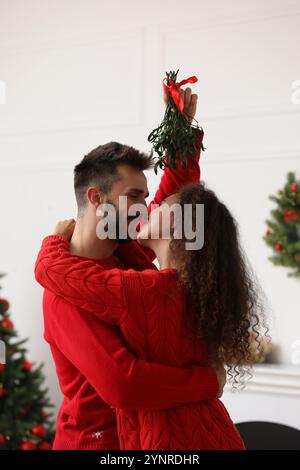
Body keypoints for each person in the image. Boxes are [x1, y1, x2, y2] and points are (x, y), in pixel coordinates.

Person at [35, 88, 226, 450]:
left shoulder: (125, 254)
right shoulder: (65, 293)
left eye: (144, 195)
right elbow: (124, 383)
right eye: (135, 196)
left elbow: (171, 202)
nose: (146, 206)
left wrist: (181, 131)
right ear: (97, 198)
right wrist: (208, 382)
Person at [35, 180, 268, 450]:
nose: (148, 209)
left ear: (177, 226)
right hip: (216, 431)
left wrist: (55, 240)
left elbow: (50, 270)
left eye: (160, 206)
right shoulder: (204, 290)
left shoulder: (144, 291)